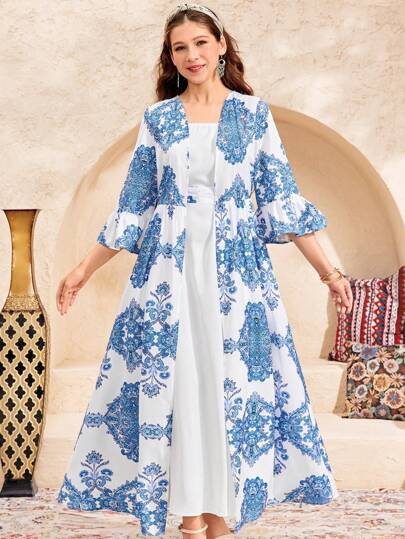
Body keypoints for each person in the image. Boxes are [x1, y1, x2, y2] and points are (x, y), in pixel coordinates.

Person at [55, 3, 353, 538]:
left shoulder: (253, 115)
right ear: (170, 58)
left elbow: (282, 201)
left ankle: (220, 517)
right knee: (181, 389)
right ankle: (191, 521)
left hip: (237, 278)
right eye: (179, 47)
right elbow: (134, 207)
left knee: (226, 387)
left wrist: (330, 274)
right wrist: (82, 269)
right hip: (168, 277)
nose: (191, 55)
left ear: (221, 46)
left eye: (199, 43)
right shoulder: (159, 120)